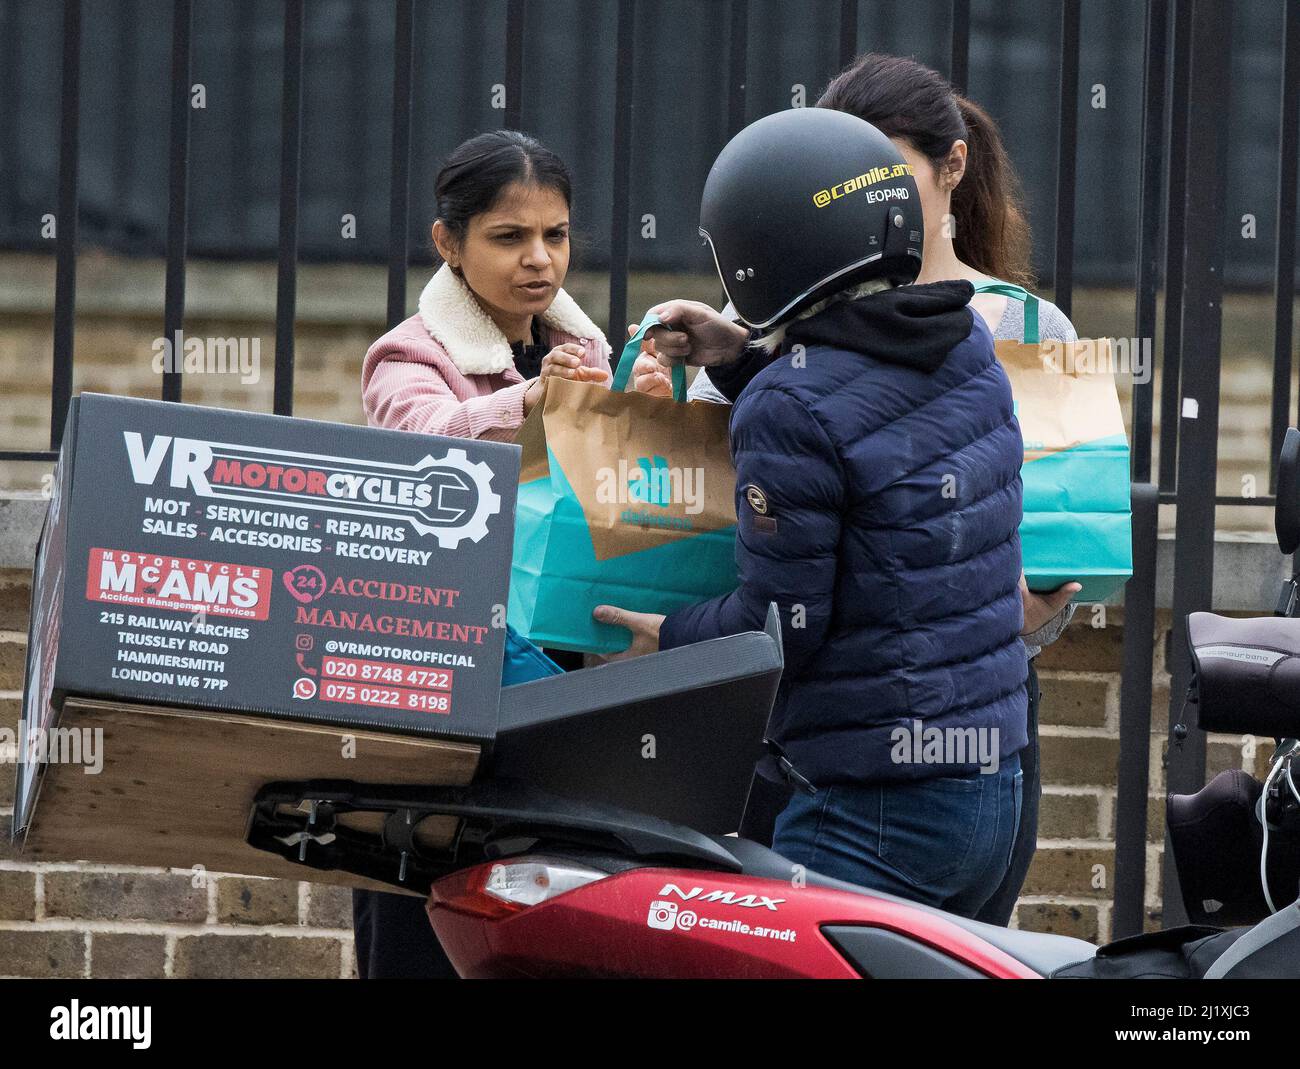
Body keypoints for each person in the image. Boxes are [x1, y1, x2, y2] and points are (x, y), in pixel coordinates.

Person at [630, 53, 1080, 926]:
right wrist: (747, 349)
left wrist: (669, 633)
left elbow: (784, 625)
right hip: (991, 786)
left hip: (871, 806)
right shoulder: (964, 343)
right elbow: (873, 403)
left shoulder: (788, 406)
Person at [356, 129, 612, 978]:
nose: (539, 260)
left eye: (556, 235)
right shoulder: (410, 355)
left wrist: (642, 412)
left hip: (562, 682)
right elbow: (427, 451)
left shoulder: (594, 355)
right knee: (428, 921)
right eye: (509, 237)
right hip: (442, 696)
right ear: (449, 244)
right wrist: (534, 403)